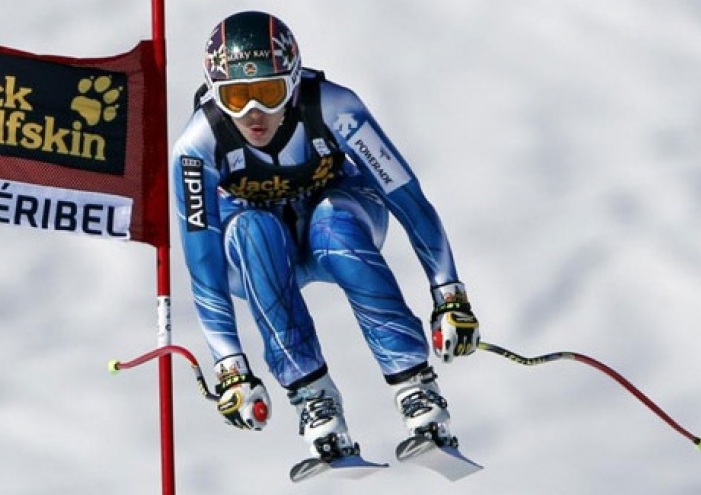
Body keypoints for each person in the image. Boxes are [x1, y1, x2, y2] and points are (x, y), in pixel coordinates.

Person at [171, 10, 480, 462]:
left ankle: (417, 390)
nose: (253, 114)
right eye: (235, 97)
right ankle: (314, 400)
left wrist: (449, 295)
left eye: (268, 93)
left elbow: (405, 195)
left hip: (339, 218)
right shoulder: (197, 143)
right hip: (257, 252)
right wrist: (231, 367)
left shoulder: (333, 106)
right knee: (252, 229)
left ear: (293, 83)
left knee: (333, 222)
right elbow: (203, 265)